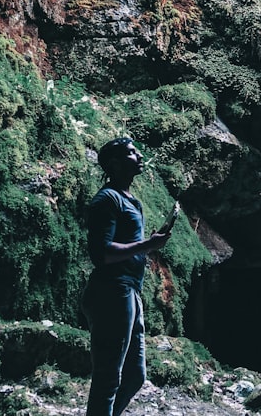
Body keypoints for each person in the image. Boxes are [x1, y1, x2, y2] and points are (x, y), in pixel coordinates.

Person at [82, 137, 171, 416]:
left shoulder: (131, 201)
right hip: (112, 291)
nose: (140, 155)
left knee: (135, 376)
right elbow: (102, 253)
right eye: (132, 153)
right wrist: (148, 245)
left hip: (130, 291)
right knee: (108, 378)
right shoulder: (107, 199)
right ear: (115, 164)